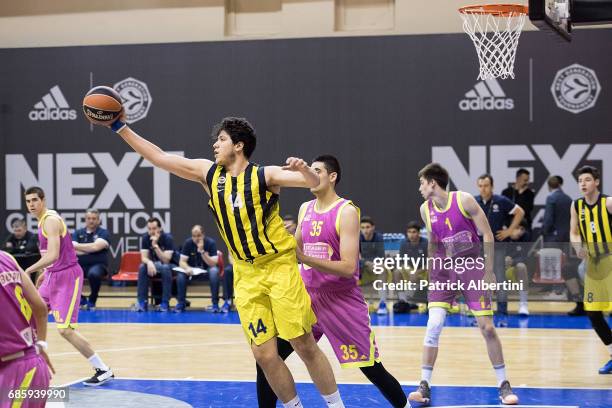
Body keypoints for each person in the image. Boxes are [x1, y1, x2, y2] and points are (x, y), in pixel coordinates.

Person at [102, 114, 345, 407]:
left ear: (239, 145)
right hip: (245, 273)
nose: (214, 145)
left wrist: (305, 170)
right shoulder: (209, 174)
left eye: (221, 139)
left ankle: (335, 405)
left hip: (278, 266)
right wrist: (120, 127)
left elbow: (314, 182)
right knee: (264, 355)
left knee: (303, 344)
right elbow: (159, 157)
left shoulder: (264, 175)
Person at [257, 155, 409, 408]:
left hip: (341, 301)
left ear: (332, 176)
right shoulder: (305, 208)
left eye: (316, 171)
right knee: (269, 359)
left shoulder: (346, 211)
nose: (309, 176)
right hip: (306, 297)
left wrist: (304, 257)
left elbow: (349, 268)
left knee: (371, 368)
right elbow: (294, 248)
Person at [408, 163, 518, 406]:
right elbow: (434, 242)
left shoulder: (464, 200)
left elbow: (487, 235)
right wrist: (431, 270)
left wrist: (488, 271)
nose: (420, 188)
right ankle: (424, 385)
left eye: (422, 183)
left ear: (432, 183)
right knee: (434, 324)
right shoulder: (425, 209)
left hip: (471, 268)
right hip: (443, 271)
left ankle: (503, 384)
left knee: (487, 328)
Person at [23, 186, 113, 386]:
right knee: (30, 313)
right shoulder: (42, 221)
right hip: (52, 276)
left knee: (65, 330)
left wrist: (28, 270)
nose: (31, 204)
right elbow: (54, 255)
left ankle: (103, 369)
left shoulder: (51, 221)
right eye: (28, 201)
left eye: (35, 200)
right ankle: (28, 364)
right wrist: (45, 273)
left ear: (43, 200)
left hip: (67, 278)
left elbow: (53, 255)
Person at [569, 165, 612, 374]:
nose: (583, 184)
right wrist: (578, 246)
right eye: (580, 181)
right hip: (593, 265)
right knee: (594, 314)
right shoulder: (576, 206)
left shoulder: (608, 203)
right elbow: (574, 232)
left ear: (596, 182)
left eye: (587, 180)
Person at [0, 250, 54, 408]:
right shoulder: (7, 257)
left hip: (18, 371)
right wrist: (41, 345)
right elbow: (40, 308)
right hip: (31, 365)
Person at [476, 174, 525, 325]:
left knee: (499, 276)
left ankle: (502, 309)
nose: (483, 189)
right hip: (478, 247)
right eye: (481, 186)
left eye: (486, 185)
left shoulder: (501, 201)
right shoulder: (474, 201)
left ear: (492, 186)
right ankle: (482, 308)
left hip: (497, 246)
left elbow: (520, 212)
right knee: (478, 278)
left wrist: (509, 231)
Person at [542, 176, 584, 316]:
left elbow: (548, 219)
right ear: (561, 184)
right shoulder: (568, 198)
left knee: (556, 264)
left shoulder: (551, 198)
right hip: (568, 236)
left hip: (555, 238)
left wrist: (544, 232)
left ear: (549, 186)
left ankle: (557, 289)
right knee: (569, 263)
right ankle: (564, 290)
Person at [178, 225, 228, 313]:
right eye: (194, 236)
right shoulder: (188, 243)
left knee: (214, 271)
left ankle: (215, 304)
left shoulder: (210, 243)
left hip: (206, 271)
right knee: (181, 275)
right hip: (192, 271)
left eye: (199, 236)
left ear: (203, 235)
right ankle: (181, 304)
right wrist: (187, 268)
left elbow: (213, 263)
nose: (196, 238)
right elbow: (181, 261)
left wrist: (202, 252)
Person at [72, 209, 111, 310]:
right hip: (80, 265)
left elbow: (96, 247)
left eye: (94, 218)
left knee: (93, 274)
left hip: (99, 266)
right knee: (67, 273)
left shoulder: (104, 233)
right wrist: (91, 248)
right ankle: (81, 298)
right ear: (85, 220)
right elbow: (72, 249)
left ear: (98, 220)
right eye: (89, 218)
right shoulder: (78, 233)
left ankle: (92, 299)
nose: (91, 221)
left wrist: (82, 247)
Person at [135, 217, 176, 312]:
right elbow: (143, 258)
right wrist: (149, 262)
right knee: (142, 267)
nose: (151, 231)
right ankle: (142, 302)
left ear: (160, 229)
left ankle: (165, 303)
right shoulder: (145, 238)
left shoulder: (167, 238)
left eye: (154, 228)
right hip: (154, 266)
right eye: (149, 229)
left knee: (165, 267)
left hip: (171, 266)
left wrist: (155, 246)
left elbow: (166, 260)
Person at [393, 221, 428, 313]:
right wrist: (410, 271)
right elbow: (402, 261)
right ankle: (403, 301)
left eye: (414, 232)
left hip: (423, 271)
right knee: (397, 272)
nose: (411, 235)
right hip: (409, 269)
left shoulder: (426, 243)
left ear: (419, 233)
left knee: (430, 272)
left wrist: (417, 272)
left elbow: (430, 262)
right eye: (409, 232)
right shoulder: (404, 243)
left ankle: (424, 301)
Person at [359, 216, 388, 315]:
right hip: (361, 266)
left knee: (382, 269)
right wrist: (366, 263)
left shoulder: (378, 237)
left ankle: (383, 304)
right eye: (362, 227)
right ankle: (359, 304)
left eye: (367, 227)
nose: (365, 230)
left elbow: (381, 257)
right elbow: (355, 256)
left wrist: (372, 263)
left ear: (373, 227)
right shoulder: (357, 237)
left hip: (375, 265)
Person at [504, 220, 531, 316]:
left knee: (522, 266)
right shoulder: (502, 235)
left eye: (522, 229)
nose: (519, 231)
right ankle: (485, 304)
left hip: (514, 267)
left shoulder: (526, 237)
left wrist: (513, 262)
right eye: (517, 227)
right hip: (500, 267)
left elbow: (525, 256)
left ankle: (523, 305)